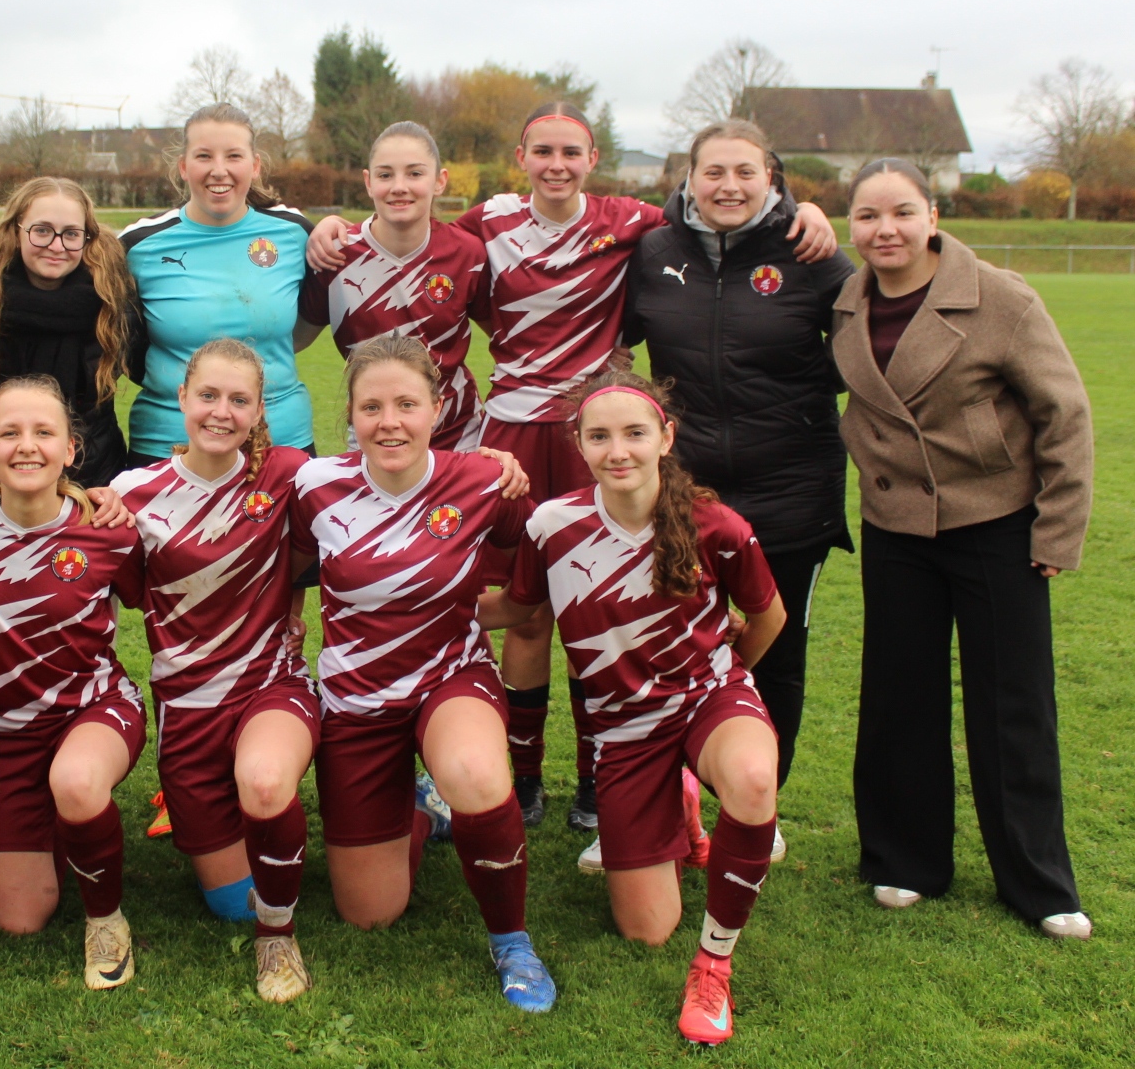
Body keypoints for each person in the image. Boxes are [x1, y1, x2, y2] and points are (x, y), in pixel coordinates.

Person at [309, 104, 835, 832]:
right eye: (542, 152)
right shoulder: (486, 226)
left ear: (594, 158)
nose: (556, 165)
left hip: (599, 434)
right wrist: (327, 227)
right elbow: (407, 230)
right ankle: (525, 780)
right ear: (520, 158)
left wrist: (799, 207)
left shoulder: (631, 220)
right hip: (514, 435)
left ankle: (601, 777)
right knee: (525, 612)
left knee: (610, 608)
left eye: (572, 152)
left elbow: (717, 214)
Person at [478, 370, 786, 1047]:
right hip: (624, 732)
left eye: (635, 434)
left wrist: (733, 683)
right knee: (645, 930)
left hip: (709, 699)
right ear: (579, 445)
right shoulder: (551, 525)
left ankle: (713, 966)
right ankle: (681, 805)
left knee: (755, 780)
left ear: (665, 439)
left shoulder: (717, 525)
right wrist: (420, 597)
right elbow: (521, 609)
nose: (618, 450)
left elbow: (767, 615)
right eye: (600, 437)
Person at [832, 158, 1095, 940]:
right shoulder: (845, 303)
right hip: (896, 529)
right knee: (897, 698)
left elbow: (1065, 414)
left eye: (903, 213)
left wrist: (1056, 530)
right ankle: (905, 860)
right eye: (869, 216)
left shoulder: (1001, 297)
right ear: (850, 224)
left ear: (934, 214)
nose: (886, 230)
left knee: (1012, 704)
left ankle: (1038, 882)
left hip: (998, 523)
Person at [291, 335, 554, 1015]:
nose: (390, 422)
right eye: (372, 406)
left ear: (436, 408)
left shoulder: (483, 480)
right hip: (355, 703)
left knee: (471, 769)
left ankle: (512, 941)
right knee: (370, 912)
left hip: (450, 679)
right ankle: (418, 812)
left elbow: (527, 575)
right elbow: (279, 560)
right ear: (348, 414)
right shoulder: (315, 488)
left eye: (407, 404)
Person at [621, 120, 855, 866]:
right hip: (683, 491)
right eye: (713, 171)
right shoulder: (655, 249)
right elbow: (613, 338)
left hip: (791, 491)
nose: (728, 186)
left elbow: (878, 339)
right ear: (688, 178)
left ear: (774, 180)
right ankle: (655, 805)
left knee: (776, 649)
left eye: (745, 173)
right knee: (667, 648)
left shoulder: (812, 253)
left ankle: (757, 808)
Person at [108, 339, 319, 1003]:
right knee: (231, 902)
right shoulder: (131, 495)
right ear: (181, 398)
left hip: (270, 687)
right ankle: (229, 826)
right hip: (188, 711)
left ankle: (277, 939)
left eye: (238, 400)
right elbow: (129, 590)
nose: (221, 412)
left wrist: (491, 463)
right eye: (208, 395)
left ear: (260, 410)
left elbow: (388, 473)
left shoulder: (288, 473)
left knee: (262, 783)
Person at [0, 375, 149, 988]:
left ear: (71, 449)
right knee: (20, 918)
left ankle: (106, 920)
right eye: (10, 432)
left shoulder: (109, 528)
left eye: (44, 432)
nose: (28, 446)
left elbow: (164, 604)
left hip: (95, 711)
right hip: (6, 733)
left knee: (77, 780)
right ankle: (59, 817)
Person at [121, 103, 317, 465]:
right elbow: (113, 338)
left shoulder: (294, 233)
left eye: (233, 156)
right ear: (183, 166)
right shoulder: (138, 245)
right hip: (167, 444)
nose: (219, 170)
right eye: (204, 156)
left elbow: (316, 313)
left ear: (255, 165)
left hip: (281, 439)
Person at [297, 121, 489, 451]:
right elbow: (290, 340)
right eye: (386, 175)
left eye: (415, 173)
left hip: (458, 436)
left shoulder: (468, 253)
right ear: (369, 183)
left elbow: (511, 339)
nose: (399, 186)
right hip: (375, 434)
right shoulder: (334, 254)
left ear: (439, 181)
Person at [0, 177, 139, 487]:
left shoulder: (112, 301)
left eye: (71, 234)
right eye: (42, 231)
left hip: (97, 472)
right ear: (17, 231)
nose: (57, 246)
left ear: (87, 237)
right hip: (5, 473)